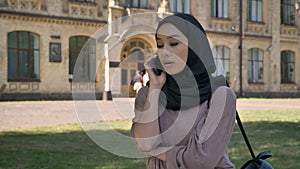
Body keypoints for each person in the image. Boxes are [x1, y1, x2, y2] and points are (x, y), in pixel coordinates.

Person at [131, 13, 236, 169]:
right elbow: (145, 143)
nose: (164, 51)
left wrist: (158, 151)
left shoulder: (220, 96)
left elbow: (201, 161)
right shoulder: (148, 94)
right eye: (160, 45)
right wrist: (155, 87)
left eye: (173, 43)